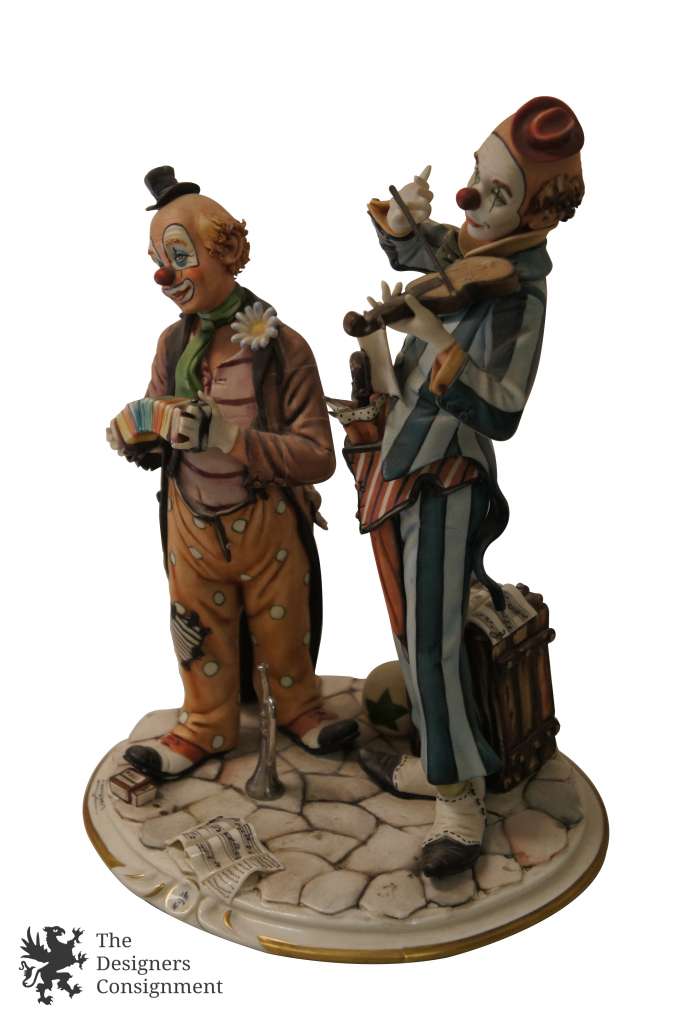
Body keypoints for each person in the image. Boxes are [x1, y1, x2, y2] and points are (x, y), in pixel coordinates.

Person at [345, 97, 585, 876]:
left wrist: (439, 344)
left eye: (498, 192)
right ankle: (436, 756)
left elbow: (504, 407)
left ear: (537, 212)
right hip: (399, 456)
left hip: (447, 475)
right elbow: (426, 254)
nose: (471, 196)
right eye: (478, 174)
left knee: (434, 641)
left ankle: (458, 799)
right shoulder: (478, 249)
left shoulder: (521, 294)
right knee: (409, 628)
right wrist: (400, 225)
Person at [107, 167, 358, 781]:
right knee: (197, 632)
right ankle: (205, 724)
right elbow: (157, 421)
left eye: (179, 257)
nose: (165, 276)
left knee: (283, 629)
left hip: (267, 524)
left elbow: (318, 456)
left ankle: (298, 709)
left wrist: (230, 439)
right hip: (191, 524)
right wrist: (138, 438)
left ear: (224, 251)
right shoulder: (171, 347)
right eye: (158, 261)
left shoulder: (282, 348)